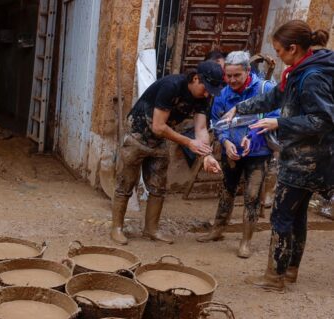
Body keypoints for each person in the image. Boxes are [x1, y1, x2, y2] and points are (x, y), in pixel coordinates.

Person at [220, 20, 333, 292]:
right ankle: (290, 271)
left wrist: (279, 124)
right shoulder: (300, 70)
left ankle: (274, 277)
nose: (278, 56)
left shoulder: (312, 76)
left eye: (280, 50)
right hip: (307, 157)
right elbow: (273, 98)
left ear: (293, 48)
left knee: (282, 216)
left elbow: (323, 120)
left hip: (305, 160)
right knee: (297, 216)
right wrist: (241, 108)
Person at [111, 61, 223, 245]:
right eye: (206, 88)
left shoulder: (203, 97)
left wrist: (206, 155)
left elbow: (201, 128)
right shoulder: (171, 86)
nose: (207, 93)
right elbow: (158, 126)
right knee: (126, 182)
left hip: (161, 139)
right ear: (196, 78)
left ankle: (151, 229)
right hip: (138, 134)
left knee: (158, 186)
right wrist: (188, 142)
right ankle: (117, 228)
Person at [197, 51, 279, 258]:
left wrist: (252, 136)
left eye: (237, 76)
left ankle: (246, 241)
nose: (232, 80)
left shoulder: (265, 90)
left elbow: (275, 118)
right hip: (232, 152)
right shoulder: (223, 94)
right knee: (226, 190)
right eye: (229, 76)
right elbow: (217, 122)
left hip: (258, 153)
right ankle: (217, 230)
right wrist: (225, 142)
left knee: (252, 197)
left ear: (248, 71)